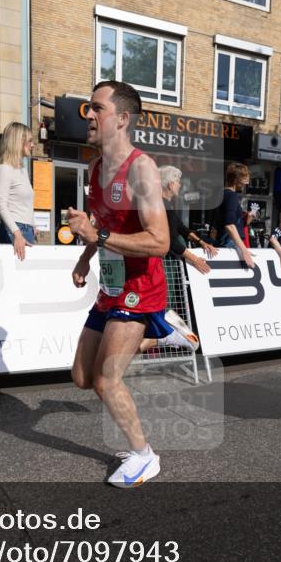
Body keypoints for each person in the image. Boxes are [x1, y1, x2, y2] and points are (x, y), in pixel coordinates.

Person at [66, 80, 170, 488]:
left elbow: (159, 241)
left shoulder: (141, 167)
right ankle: (162, 334)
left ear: (122, 118)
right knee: (82, 377)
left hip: (140, 287)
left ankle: (144, 456)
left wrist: (99, 239)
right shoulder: (94, 170)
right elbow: (101, 229)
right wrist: (84, 256)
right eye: (87, 108)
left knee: (108, 379)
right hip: (111, 286)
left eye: (96, 108)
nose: (88, 115)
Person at [158, 165, 217, 274]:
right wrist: (195, 259)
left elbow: (181, 227)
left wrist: (201, 242)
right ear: (170, 184)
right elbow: (171, 240)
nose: (179, 185)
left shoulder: (166, 204)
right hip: (163, 262)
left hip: (168, 259)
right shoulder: (162, 205)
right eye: (177, 182)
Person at [0, 122, 36, 260]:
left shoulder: (22, 170)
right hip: (13, 230)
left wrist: (33, 225)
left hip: (25, 230)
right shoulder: (4, 169)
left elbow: (26, 204)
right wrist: (17, 234)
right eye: (30, 141)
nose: (33, 145)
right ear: (18, 142)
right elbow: (1, 205)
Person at [213, 162, 254, 268]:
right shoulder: (232, 196)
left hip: (224, 240)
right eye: (245, 179)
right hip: (230, 243)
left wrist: (246, 219)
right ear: (236, 180)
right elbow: (229, 225)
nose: (247, 183)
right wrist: (244, 250)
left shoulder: (221, 194)